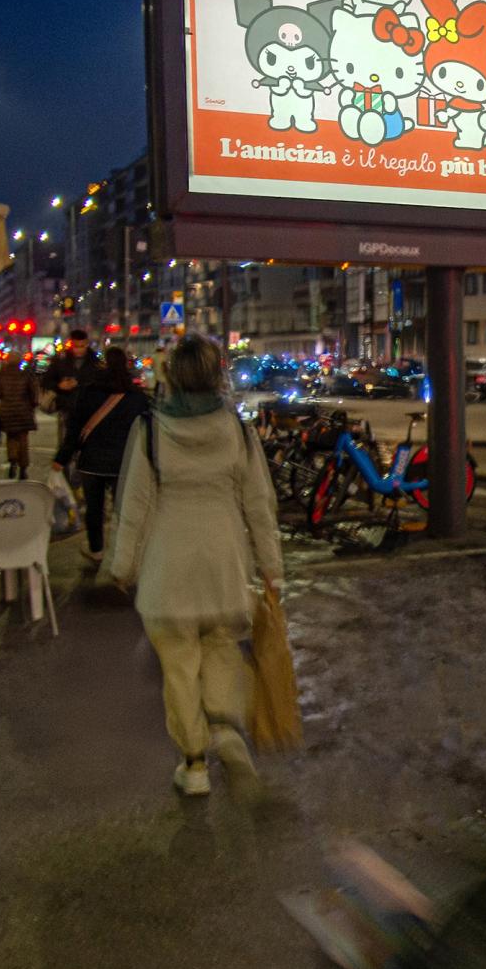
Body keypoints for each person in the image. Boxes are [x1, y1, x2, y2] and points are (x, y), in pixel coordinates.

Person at [111, 332, 283, 797]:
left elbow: (136, 507)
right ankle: (225, 728)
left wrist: (121, 566)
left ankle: (194, 764)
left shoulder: (149, 431)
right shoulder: (239, 432)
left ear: (171, 377)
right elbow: (259, 507)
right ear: (217, 376)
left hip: (168, 572)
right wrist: (272, 568)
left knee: (179, 669)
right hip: (224, 568)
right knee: (223, 651)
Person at [51, 346, 151, 562]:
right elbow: (148, 430)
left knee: (94, 510)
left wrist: (62, 458)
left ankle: (96, 549)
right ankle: (124, 552)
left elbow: (75, 428)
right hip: (123, 463)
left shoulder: (89, 392)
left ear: (103, 365)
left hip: (92, 462)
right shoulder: (137, 397)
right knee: (123, 509)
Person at [44, 329, 100, 445]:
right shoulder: (61, 360)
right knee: (67, 442)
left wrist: (80, 383)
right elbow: (47, 380)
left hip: (88, 408)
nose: (79, 350)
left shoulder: (95, 361)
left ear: (87, 344)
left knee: (86, 442)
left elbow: (100, 382)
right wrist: (59, 386)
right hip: (67, 407)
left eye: (82, 346)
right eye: (76, 346)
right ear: (71, 344)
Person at [0, 354, 39, 480]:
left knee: (11, 438)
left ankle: (13, 461)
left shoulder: (1, 375)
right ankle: (23, 468)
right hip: (24, 412)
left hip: (7, 412)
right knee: (23, 440)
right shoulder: (25, 375)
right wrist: (32, 405)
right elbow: (34, 393)